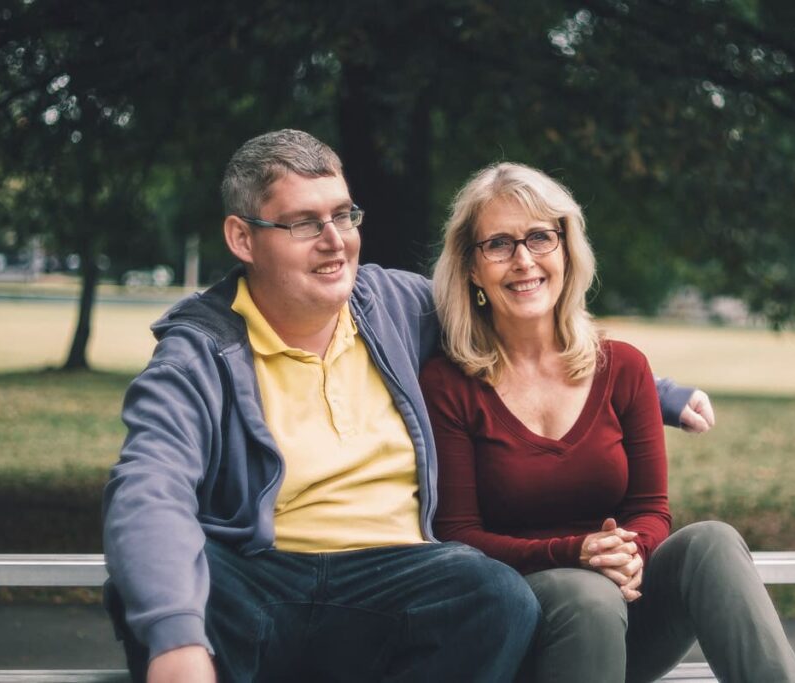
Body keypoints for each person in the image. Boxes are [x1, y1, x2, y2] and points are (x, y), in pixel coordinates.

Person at [102, 130, 544, 683]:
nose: (335, 241)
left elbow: (534, 339)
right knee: (186, 580)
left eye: (344, 215)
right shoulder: (199, 352)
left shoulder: (395, 306)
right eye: (305, 223)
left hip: (396, 580)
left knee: (494, 595)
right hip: (259, 580)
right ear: (243, 238)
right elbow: (148, 487)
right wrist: (175, 636)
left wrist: (660, 391)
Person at [420, 162, 795, 682]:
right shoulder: (450, 384)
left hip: (622, 619)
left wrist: (626, 553)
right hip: (517, 633)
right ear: (471, 267)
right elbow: (459, 537)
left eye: (540, 238)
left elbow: (650, 511)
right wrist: (575, 554)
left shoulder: (623, 367)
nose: (524, 260)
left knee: (712, 542)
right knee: (586, 592)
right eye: (499, 244)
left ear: (566, 249)